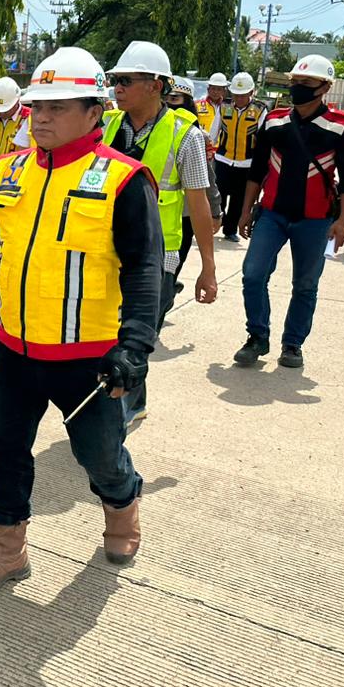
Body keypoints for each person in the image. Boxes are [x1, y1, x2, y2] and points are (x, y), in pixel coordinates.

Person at [0, 47, 162, 596]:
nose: (40, 118)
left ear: (95, 111)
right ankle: (7, 548)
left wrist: (135, 347)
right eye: (35, 107)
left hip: (88, 358)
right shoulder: (12, 169)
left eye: (57, 107)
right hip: (15, 349)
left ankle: (122, 510)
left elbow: (145, 271)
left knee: (97, 455)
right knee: (4, 445)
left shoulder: (125, 179)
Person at [102, 42, 217, 427]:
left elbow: (198, 204)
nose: (117, 88)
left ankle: (124, 406)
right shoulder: (109, 125)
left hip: (158, 256)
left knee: (134, 335)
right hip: (105, 248)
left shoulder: (186, 136)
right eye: (114, 80)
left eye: (126, 80)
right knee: (107, 332)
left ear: (156, 85)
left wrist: (208, 268)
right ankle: (129, 398)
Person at [233, 55, 344, 369]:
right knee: (252, 274)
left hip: (316, 221)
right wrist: (245, 211)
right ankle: (257, 336)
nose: (298, 88)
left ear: (325, 87)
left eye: (306, 83)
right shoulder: (274, 120)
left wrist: (343, 222)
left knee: (305, 284)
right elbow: (257, 170)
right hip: (272, 215)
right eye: (295, 82)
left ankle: (292, 345)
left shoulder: (341, 124)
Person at [166, 78, 223, 287]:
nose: (169, 104)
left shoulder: (195, 136)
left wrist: (215, 211)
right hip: (154, 213)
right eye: (166, 99)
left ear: (188, 102)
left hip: (185, 215)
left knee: (169, 272)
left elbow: (208, 179)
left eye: (175, 99)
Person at [215, 71, 269, 242]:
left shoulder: (260, 110)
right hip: (223, 159)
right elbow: (214, 131)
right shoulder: (224, 107)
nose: (238, 99)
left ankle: (230, 230)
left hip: (247, 163)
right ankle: (215, 223)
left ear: (251, 93)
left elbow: (264, 139)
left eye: (242, 95)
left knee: (239, 200)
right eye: (236, 95)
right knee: (218, 196)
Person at [195, 71, 229, 143]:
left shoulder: (228, 108)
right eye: (213, 88)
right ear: (208, 89)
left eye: (219, 89)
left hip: (221, 149)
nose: (215, 92)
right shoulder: (197, 105)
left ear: (224, 91)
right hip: (203, 145)